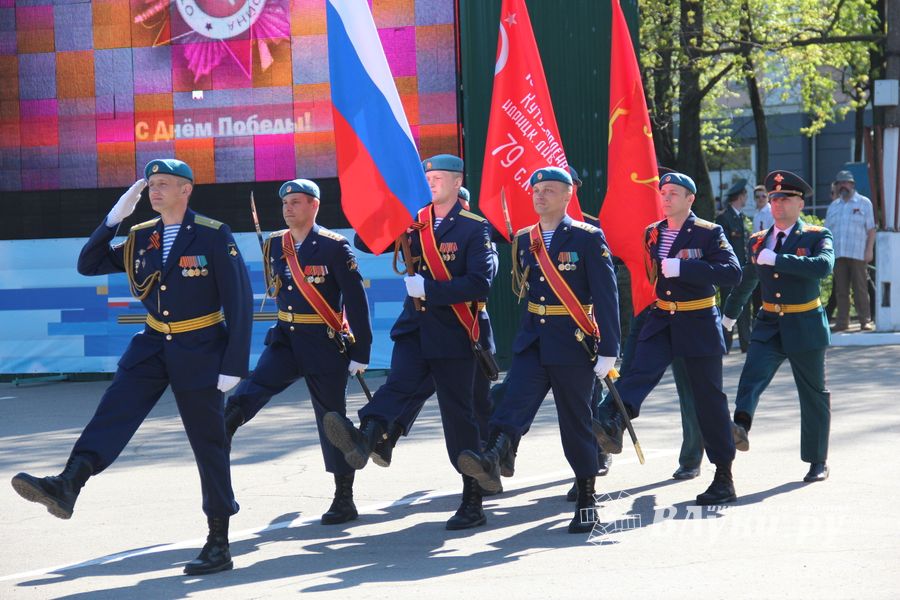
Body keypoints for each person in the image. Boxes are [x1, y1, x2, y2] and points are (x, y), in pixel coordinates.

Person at [11, 159, 253, 575]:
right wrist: (113, 219)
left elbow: (240, 301)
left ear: (186, 190)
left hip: (200, 346)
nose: (153, 191)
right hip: (153, 342)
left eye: (163, 184)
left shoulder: (215, 235)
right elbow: (87, 264)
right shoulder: (141, 236)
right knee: (113, 412)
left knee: (208, 441)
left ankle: (218, 539)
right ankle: (69, 484)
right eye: (150, 185)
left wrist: (234, 363)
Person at [323, 154, 495, 530]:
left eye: (437, 178)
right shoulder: (414, 223)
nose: (430, 183)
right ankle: (365, 437)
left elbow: (481, 282)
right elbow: (368, 243)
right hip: (416, 327)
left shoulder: (473, 229)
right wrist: (380, 209)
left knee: (458, 414)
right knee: (398, 385)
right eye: (427, 177)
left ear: (456, 182)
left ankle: (472, 498)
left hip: (455, 331)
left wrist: (430, 289)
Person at [457, 166, 621, 534]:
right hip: (534, 340)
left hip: (574, 342)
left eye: (549, 190)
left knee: (575, 422)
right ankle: (493, 457)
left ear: (567, 196)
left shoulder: (588, 238)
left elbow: (607, 297)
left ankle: (586, 498)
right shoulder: (524, 239)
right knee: (512, 402)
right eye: (536, 189)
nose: (540, 195)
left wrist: (609, 350)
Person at [223, 179, 372, 525]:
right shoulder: (276, 244)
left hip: (324, 341)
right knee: (258, 383)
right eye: (285, 203)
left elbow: (355, 301)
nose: (288, 208)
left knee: (331, 419)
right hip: (287, 337)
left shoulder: (335, 247)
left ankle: (344, 497)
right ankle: (226, 425)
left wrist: (360, 351)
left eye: (296, 202)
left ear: (314, 206)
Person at [593, 172, 741, 506]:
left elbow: (733, 272)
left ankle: (723, 475)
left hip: (699, 319)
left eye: (674, 193)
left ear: (690, 199)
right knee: (638, 372)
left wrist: (686, 268)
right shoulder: (653, 232)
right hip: (663, 316)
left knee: (708, 399)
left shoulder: (709, 232)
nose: (667, 198)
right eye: (664, 193)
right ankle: (613, 421)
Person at [722, 170, 834, 483]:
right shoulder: (759, 241)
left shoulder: (815, 235)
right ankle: (741, 426)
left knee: (812, 394)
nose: (778, 204)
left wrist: (779, 260)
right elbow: (746, 281)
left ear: (800, 203)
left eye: (785, 198)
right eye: (774, 198)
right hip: (769, 323)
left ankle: (817, 460)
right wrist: (728, 318)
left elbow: (824, 266)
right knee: (751, 375)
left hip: (806, 323)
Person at [824, 170, 875, 331]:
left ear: (852, 185)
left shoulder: (864, 202)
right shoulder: (833, 206)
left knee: (860, 288)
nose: (842, 186)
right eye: (839, 183)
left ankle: (865, 320)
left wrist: (869, 251)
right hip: (839, 254)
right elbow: (827, 232)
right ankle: (842, 322)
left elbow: (871, 230)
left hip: (858, 253)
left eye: (846, 182)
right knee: (841, 290)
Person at [716, 179, 752, 353]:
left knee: (744, 305)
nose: (747, 198)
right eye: (745, 195)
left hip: (743, 270)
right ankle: (725, 344)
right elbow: (723, 247)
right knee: (728, 307)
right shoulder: (724, 218)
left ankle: (746, 343)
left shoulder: (741, 217)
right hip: (729, 271)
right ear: (739, 196)